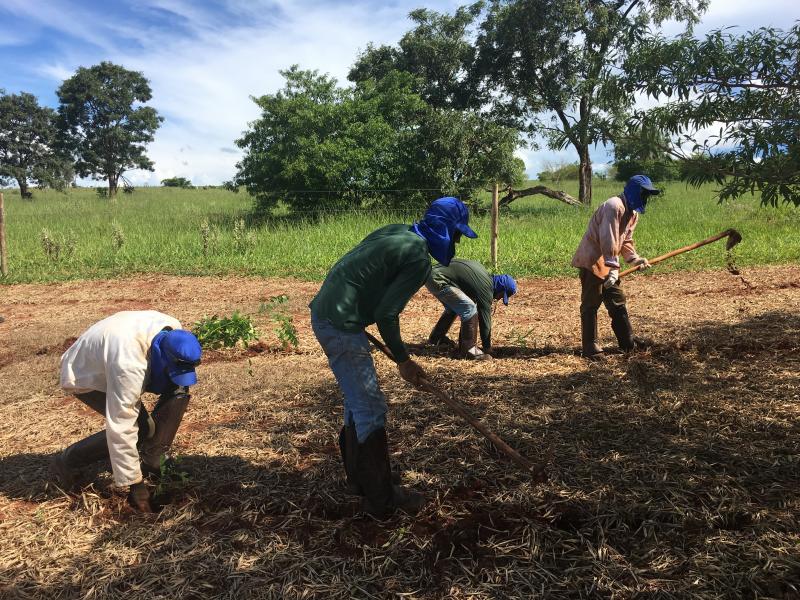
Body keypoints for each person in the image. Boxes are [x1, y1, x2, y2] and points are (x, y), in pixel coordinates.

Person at [310, 197, 477, 519]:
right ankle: (381, 498)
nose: (455, 242)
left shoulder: (396, 231)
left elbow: (357, 270)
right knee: (370, 408)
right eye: (456, 234)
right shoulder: (418, 259)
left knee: (356, 403)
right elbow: (387, 314)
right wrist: (404, 360)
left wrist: (358, 310)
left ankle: (360, 479)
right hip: (341, 325)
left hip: (329, 314)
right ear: (445, 230)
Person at [50, 310, 202, 511]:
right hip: (85, 373)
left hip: (116, 348)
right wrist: (135, 484)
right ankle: (67, 459)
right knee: (140, 428)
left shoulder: (173, 328)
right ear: (159, 356)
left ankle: (154, 460)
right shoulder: (128, 366)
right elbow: (122, 426)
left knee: (178, 389)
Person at [571, 175, 660, 360]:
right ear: (635, 191)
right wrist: (612, 266)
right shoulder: (614, 206)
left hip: (610, 261)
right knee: (591, 303)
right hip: (593, 259)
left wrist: (634, 259)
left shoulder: (633, 213)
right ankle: (590, 347)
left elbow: (625, 240)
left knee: (617, 300)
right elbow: (608, 237)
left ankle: (627, 342)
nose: (645, 198)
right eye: (643, 194)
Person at [425, 259, 517, 360]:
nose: (498, 298)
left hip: (432, 274)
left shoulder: (483, 276)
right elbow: (485, 321)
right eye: (501, 296)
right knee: (469, 308)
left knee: (456, 306)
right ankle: (468, 350)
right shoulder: (486, 289)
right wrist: (487, 348)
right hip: (439, 279)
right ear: (501, 289)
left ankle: (436, 338)